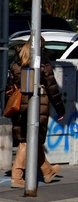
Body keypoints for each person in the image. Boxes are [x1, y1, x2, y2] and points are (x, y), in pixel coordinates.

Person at [7, 38, 66, 188]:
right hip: (38, 106)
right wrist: (60, 109)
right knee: (27, 140)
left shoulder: (17, 63)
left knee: (33, 138)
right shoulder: (42, 63)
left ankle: (47, 171)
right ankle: (17, 176)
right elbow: (52, 88)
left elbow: (9, 89)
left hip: (20, 106)